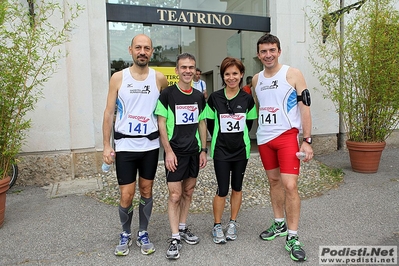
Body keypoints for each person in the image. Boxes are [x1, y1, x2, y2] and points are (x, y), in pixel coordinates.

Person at [102, 34, 168, 256]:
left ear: (151, 51)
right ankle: (125, 233)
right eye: (138, 47)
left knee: (147, 190)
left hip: (149, 146)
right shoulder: (118, 78)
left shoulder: (159, 79)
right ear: (130, 50)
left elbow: (164, 114)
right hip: (125, 146)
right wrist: (105, 145)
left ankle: (143, 232)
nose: (142, 51)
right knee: (127, 195)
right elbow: (109, 112)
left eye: (147, 48)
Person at [252, 33, 313, 262]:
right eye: (263, 51)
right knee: (274, 182)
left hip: (288, 136)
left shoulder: (292, 74)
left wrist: (307, 140)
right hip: (265, 139)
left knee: (290, 185)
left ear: (279, 51)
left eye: (272, 50)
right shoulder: (256, 79)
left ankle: (293, 236)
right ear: (258, 55)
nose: (268, 55)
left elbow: (305, 108)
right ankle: (279, 224)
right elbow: (260, 108)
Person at [155, 53, 208, 260]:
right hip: (175, 153)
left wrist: (204, 150)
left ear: (195, 71)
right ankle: (175, 237)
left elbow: (202, 123)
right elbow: (161, 124)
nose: (188, 71)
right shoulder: (167, 94)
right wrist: (167, 151)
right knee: (175, 195)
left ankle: (183, 227)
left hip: (194, 152)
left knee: (188, 191)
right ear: (177, 71)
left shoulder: (197, 96)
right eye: (183, 67)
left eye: (191, 67)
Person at [205, 57, 257, 244]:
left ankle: (232, 222)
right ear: (223, 76)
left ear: (241, 75)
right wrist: (220, 139)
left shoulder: (247, 98)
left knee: (237, 187)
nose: (231, 77)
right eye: (227, 74)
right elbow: (210, 123)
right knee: (222, 189)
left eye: (235, 73)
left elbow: (249, 123)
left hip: (241, 150)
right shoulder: (214, 98)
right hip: (220, 150)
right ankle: (217, 225)